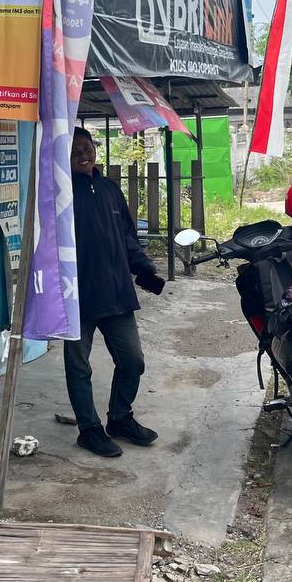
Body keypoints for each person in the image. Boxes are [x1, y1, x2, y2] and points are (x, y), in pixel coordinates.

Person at [66, 126, 166, 458]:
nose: (83, 155)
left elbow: (126, 236)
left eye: (87, 148)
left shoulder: (110, 188)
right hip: (77, 295)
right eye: (75, 151)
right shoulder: (60, 192)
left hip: (116, 291)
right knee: (79, 366)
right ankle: (89, 429)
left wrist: (144, 268)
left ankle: (120, 418)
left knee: (132, 360)